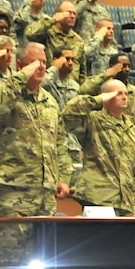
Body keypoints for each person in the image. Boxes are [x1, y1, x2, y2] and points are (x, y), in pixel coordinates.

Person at [0, 42, 72, 269]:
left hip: (43, 193)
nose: (42, 67)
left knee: (37, 258)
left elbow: (59, 143)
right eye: (35, 62)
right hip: (12, 190)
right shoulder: (5, 93)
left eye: (45, 61)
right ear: (21, 65)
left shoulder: (48, 101)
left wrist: (63, 176)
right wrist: (19, 79)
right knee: (13, 256)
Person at [63, 79, 135, 269]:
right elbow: (68, 115)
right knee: (98, 255)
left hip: (124, 200)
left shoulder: (129, 124)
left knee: (121, 257)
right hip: (98, 197)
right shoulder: (93, 119)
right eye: (118, 93)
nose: (124, 97)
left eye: (126, 93)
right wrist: (98, 100)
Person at [42, 47, 82, 185]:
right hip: (52, 139)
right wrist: (53, 68)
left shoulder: (75, 86)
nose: (71, 63)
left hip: (72, 142)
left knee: (75, 182)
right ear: (56, 60)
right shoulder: (48, 80)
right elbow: (41, 84)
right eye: (67, 59)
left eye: (73, 59)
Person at [25, 0, 86, 83]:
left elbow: (82, 70)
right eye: (69, 13)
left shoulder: (78, 40)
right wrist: (53, 20)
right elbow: (29, 34)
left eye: (74, 14)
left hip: (71, 87)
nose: (72, 16)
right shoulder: (47, 32)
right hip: (50, 83)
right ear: (58, 14)